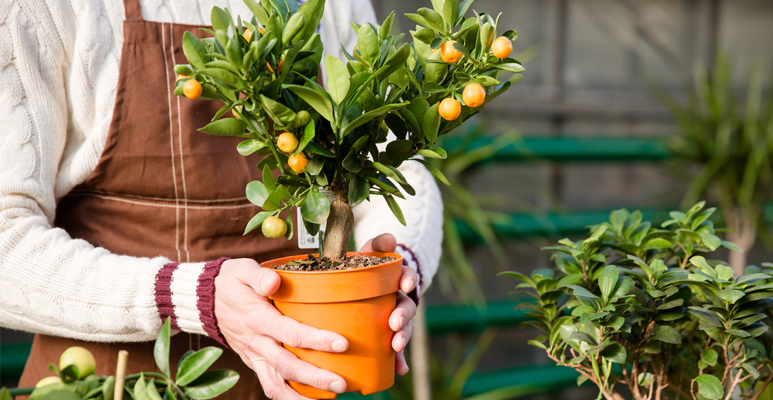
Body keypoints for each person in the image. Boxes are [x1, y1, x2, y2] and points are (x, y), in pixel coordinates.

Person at [0, 0, 443, 398]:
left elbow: (396, 168)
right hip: (112, 383)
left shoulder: (334, 7)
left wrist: (399, 269)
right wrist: (193, 295)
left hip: (303, 382)